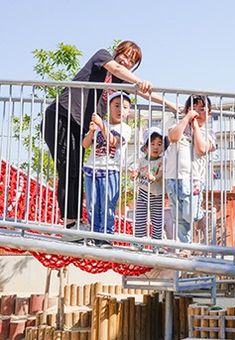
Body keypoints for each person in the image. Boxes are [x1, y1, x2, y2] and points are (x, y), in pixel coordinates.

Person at [43, 41, 177, 237]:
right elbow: (116, 67)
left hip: (81, 126)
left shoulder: (120, 83)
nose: (127, 62)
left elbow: (143, 92)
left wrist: (169, 104)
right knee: (68, 169)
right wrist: (138, 80)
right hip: (61, 116)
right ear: (117, 52)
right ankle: (70, 224)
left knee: (76, 170)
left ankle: (77, 222)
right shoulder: (102, 56)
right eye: (125, 56)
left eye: (132, 61)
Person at [165, 95, 216, 254]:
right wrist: (187, 118)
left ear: (209, 114)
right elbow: (173, 137)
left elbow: (201, 149)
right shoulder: (177, 125)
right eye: (194, 109)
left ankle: (199, 215)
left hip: (193, 179)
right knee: (179, 218)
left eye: (202, 110)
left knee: (189, 212)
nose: (198, 113)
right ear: (187, 110)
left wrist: (195, 125)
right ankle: (185, 247)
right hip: (173, 178)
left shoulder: (208, 133)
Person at [82, 91, 132, 246]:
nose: (120, 110)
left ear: (128, 111)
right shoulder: (100, 124)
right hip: (92, 169)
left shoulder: (125, 128)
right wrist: (91, 130)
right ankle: (94, 235)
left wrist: (101, 125)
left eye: (124, 107)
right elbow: (85, 145)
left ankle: (106, 236)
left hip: (111, 171)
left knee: (108, 205)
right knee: (92, 205)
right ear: (109, 107)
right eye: (116, 106)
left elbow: (113, 142)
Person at [131, 127, 168, 251]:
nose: (156, 147)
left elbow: (160, 175)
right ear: (146, 147)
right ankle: (138, 243)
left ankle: (157, 245)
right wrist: (134, 174)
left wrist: (155, 177)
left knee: (157, 220)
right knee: (140, 218)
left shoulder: (162, 161)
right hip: (143, 192)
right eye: (152, 144)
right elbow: (135, 170)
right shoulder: (141, 160)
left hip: (157, 194)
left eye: (159, 144)